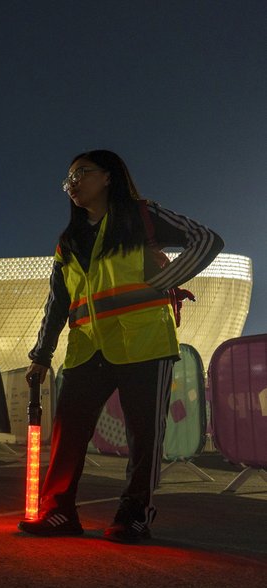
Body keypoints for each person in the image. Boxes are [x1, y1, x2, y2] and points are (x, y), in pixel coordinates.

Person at [18, 149, 223, 542]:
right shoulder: (68, 241)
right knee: (68, 432)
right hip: (87, 349)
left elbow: (207, 239)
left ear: (109, 176)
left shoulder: (143, 216)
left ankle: (134, 516)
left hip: (144, 343)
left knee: (144, 437)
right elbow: (57, 301)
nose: (72, 184)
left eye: (81, 173)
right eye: (67, 180)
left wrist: (167, 280)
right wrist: (41, 355)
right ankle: (58, 512)